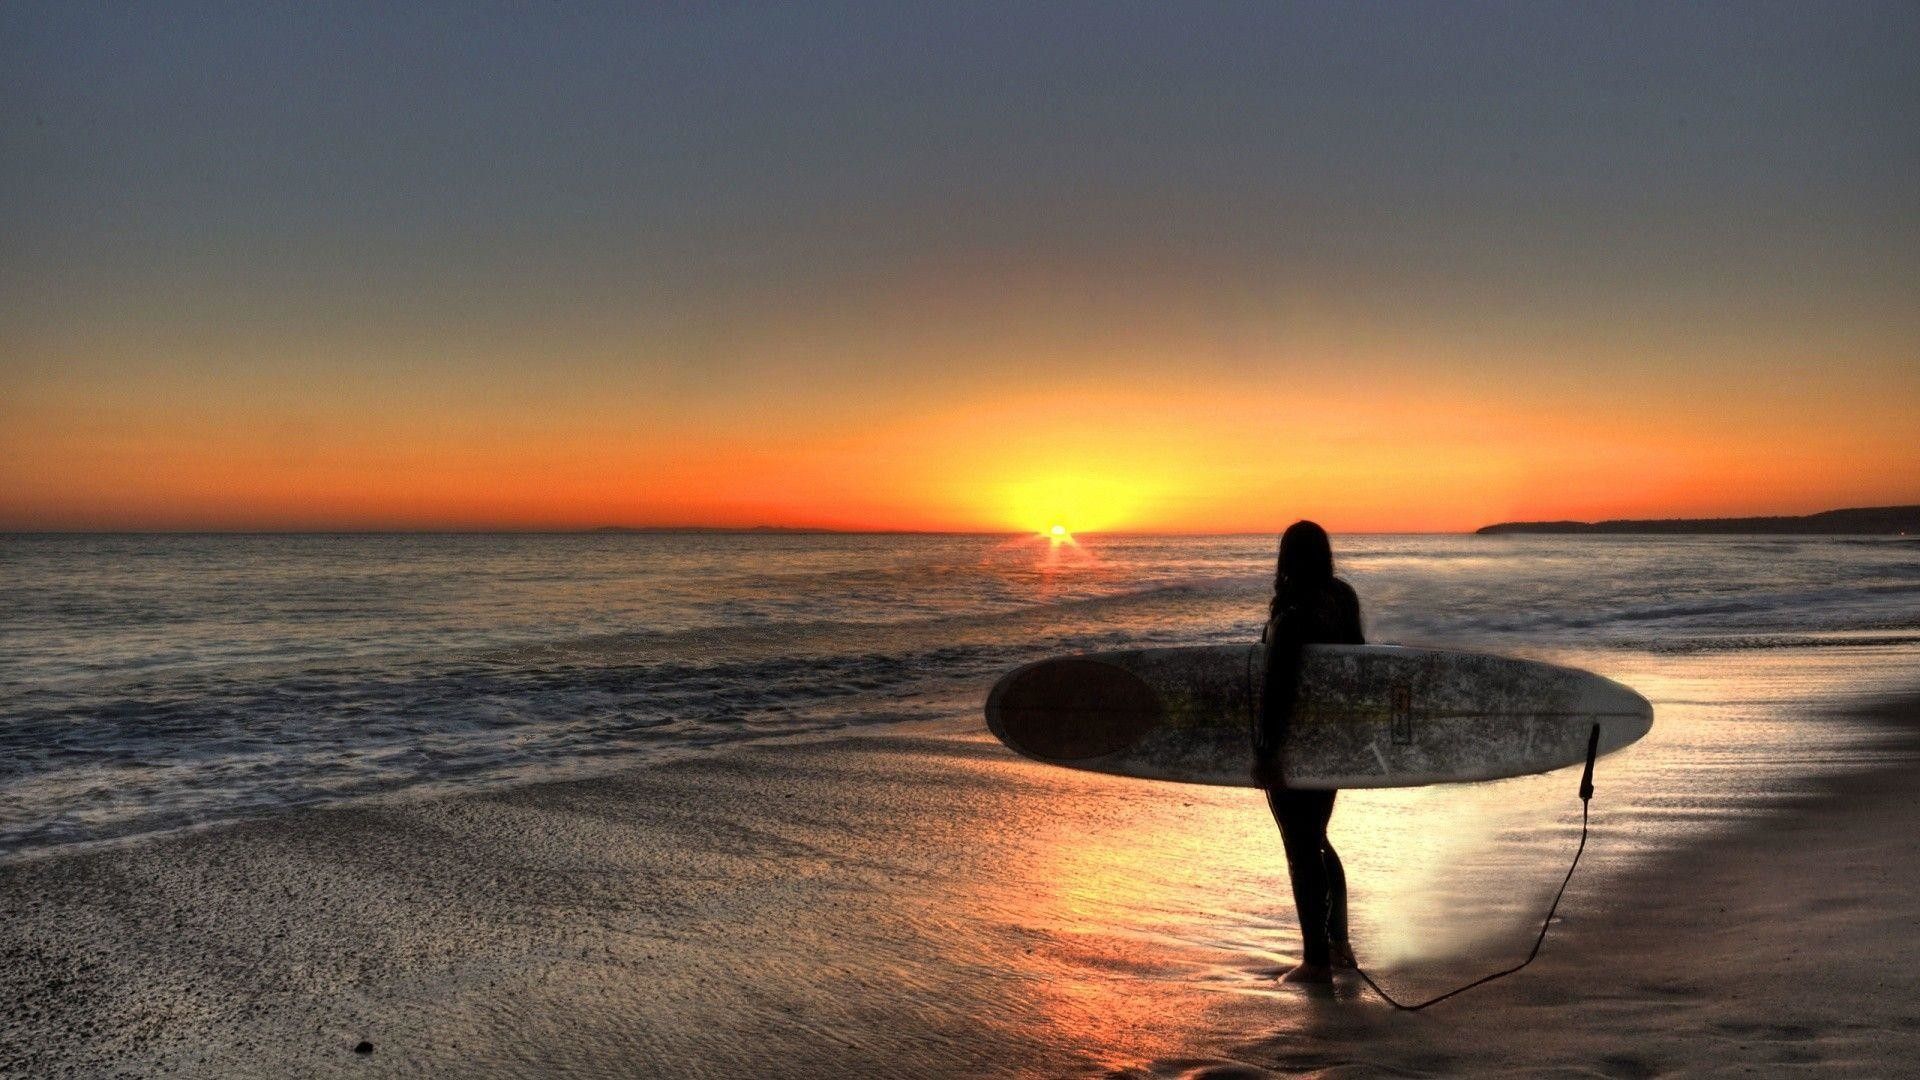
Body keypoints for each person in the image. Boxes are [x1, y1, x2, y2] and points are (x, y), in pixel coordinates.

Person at [1254, 520, 1363, 985]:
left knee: (1301, 848)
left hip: (1296, 746)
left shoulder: (1293, 615)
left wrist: (1267, 753)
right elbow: (1358, 666)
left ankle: (1315, 961)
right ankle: (1339, 947)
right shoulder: (1341, 600)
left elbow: (1278, 690)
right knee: (1317, 837)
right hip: (1333, 742)